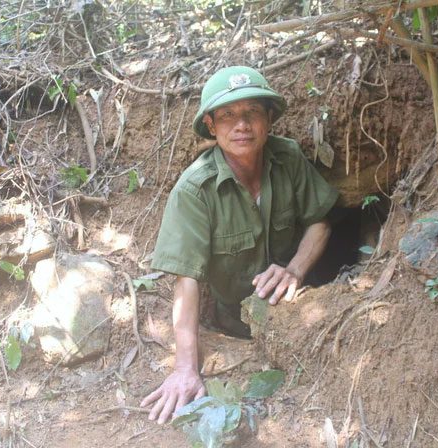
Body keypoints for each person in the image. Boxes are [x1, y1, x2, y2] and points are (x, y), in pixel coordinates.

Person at [140, 66, 338, 423]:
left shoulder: (288, 158)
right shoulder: (194, 190)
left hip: (300, 314)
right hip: (232, 323)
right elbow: (186, 281)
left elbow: (320, 221)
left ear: (269, 119)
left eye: (252, 112)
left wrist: (295, 270)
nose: (242, 124)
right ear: (212, 127)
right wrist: (185, 367)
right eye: (228, 115)